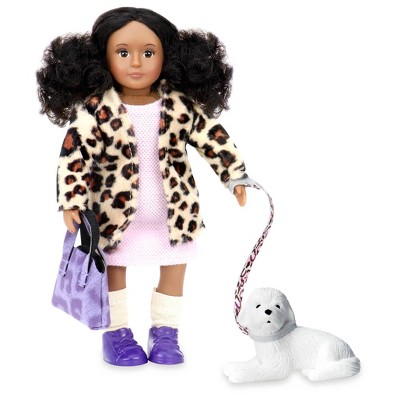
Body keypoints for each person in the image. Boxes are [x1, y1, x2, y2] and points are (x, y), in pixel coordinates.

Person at [37, 6, 253, 367]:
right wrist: (72, 200)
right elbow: (75, 155)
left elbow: (212, 138)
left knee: (174, 266)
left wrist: (234, 175)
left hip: (174, 212)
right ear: (103, 59)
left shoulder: (180, 105)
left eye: (148, 53)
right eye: (123, 52)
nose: (136, 63)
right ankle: (117, 334)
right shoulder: (97, 109)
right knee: (114, 269)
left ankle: (166, 332)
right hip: (114, 215)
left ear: (168, 57)